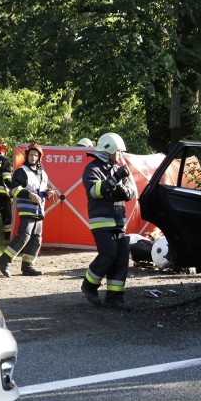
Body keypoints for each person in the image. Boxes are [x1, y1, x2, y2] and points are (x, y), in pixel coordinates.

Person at [80, 132, 136, 311]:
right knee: (109, 254)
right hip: (101, 221)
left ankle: (115, 298)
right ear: (109, 150)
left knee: (121, 257)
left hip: (118, 221)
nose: (120, 156)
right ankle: (89, 286)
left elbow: (131, 189)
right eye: (118, 152)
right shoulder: (92, 169)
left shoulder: (115, 168)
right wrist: (115, 178)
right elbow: (95, 191)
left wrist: (126, 192)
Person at [0, 143, 53, 277]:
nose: (33, 157)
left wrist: (46, 193)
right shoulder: (21, 171)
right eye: (31, 155)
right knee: (23, 236)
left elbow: (40, 190)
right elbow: (14, 190)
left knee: (36, 239)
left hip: (39, 210)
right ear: (26, 156)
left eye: (36, 155)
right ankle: (3, 261)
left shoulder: (43, 173)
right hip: (27, 209)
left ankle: (28, 266)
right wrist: (29, 195)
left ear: (40, 157)